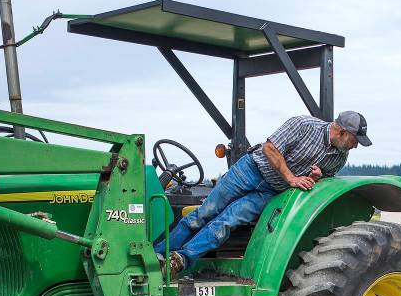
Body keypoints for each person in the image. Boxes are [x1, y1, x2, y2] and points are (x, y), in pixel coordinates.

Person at [154, 111, 371, 274]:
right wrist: (290, 178)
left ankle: (180, 259)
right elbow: (269, 148)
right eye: (355, 141)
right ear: (342, 131)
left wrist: (315, 177)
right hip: (249, 171)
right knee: (204, 214)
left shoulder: (339, 156)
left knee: (225, 223)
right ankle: (156, 255)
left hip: (268, 192)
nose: (355, 147)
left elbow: (325, 179)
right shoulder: (304, 125)